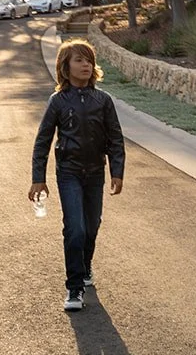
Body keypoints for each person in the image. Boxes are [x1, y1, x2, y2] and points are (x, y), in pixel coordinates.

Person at [29, 39, 125, 313]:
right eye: (79, 60)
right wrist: (39, 178)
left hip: (95, 173)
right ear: (65, 66)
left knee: (92, 227)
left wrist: (116, 171)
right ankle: (74, 287)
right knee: (76, 228)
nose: (85, 65)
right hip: (69, 173)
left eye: (89, 60)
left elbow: (115, 139)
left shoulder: (103, 100)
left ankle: (85, 267)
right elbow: (42, 141)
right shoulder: (58, 101)